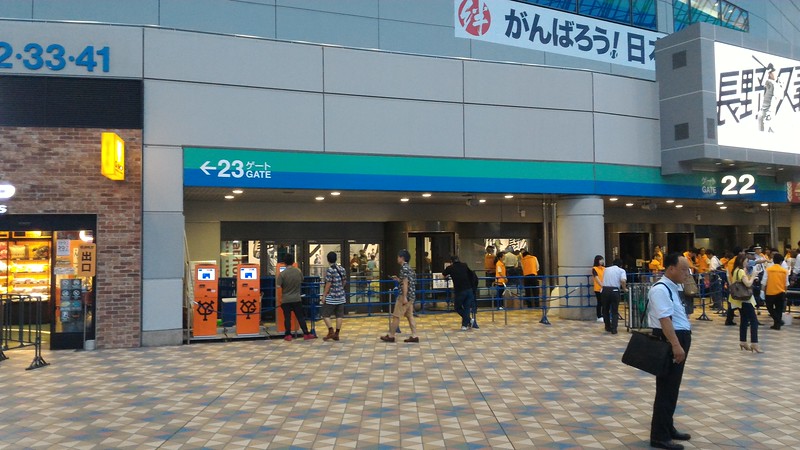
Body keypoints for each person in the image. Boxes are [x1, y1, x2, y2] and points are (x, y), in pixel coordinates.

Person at [647, 253, 693, 450]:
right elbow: (665, 319)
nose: (687, 273)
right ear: (671, 268)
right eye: (683, 269)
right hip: (670, 340)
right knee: (666, 388)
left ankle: (668, 426)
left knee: (672, 388)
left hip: (679, 337)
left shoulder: (673, 287)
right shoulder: (660, 289)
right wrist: (675, 345)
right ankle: (659, 436)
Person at [276, 253, 315, 341]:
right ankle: (306, 333)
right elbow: (302, 280)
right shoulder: (298, 271)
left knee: (287, 318)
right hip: (297, 298)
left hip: (286, 299)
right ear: (293, 262)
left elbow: (278, 286)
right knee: (300, 317)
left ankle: (288, 335)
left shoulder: (282, 274)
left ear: (284, 263)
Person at [381, 249, 419, 343]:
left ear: (402, 258)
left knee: (396, 315)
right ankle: (414, 335)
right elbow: (408, 281)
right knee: (410, 316)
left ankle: (391, 335)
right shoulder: (410, 268)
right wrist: (399, 280)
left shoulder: (404, 269)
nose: (397, 258)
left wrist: (404, 297)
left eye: (398, 257)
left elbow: (405, 283)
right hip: (412, 295)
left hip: (404, 296)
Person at [730, 253, 762, 353]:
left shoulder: (735, 270)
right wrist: (753, 276)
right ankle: (754, 343)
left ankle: (743, 341)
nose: (747, 262)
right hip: (746, 299)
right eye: (746, 261)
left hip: (738, 300)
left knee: (744, 320)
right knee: (753, 321)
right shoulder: (740, 271)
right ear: (741, 261)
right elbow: (747, 284)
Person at [442, 255, 478, 331]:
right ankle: (464, 325)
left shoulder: (450, 268)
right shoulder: (464, 265)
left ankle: (468, 320)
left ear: (451, 262)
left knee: (457, 307)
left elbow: (443, 275)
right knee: (467, 307)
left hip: (460, 290)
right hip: (469, 289)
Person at [320, 251, 347, 341]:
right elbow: (344, 281)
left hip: (332, 296)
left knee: (325, 314)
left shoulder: (330, 270)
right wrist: (341, 288)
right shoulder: (342, 269)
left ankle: (330, 331)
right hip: (341, 296)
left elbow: (328, 283)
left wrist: (324, 295)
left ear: (328, 259)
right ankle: (337, 334)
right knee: (339, 315)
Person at [762, 253, 789, 330]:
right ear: (781, 262)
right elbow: (786, 283)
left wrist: (762, 291)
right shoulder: (784, 271)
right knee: (779, 309)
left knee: (770, 308)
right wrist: (785, 292)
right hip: (781, 292)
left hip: (770, 292)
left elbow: (764, 281)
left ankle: (778, 321)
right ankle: (777, 325)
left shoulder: (768, 270)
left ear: (773, 261)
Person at [600, 258, 626, 334]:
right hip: (614, 290)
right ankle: (614, 329)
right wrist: (624, 288)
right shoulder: (621, 270)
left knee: (605, 309)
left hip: (605, 290)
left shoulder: (606, 269)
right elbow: (623, 280)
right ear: (621, 265)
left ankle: (607, 326)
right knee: (614, 311)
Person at [758, 64, 776, 132]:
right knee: (761, 121)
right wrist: (767, 71)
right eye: (771, 73)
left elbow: (776, 97)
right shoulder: (768, 82)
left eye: (772, 73)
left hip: (769, 107)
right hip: (765, 107)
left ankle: (769, 130)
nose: (772, 74)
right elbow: (762, 83)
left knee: (767, 122)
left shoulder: (775, 83)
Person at [592, 255, 605, 322]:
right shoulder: (594, 268)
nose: (602, 261)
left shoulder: (604, 268)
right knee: (600, 302)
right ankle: (599, 316)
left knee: (604, 302)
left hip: (605, 287)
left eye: (602, 260)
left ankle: (604, 315)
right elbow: (596, 278)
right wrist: (602, 285)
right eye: (601, 260)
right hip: (598, 288)